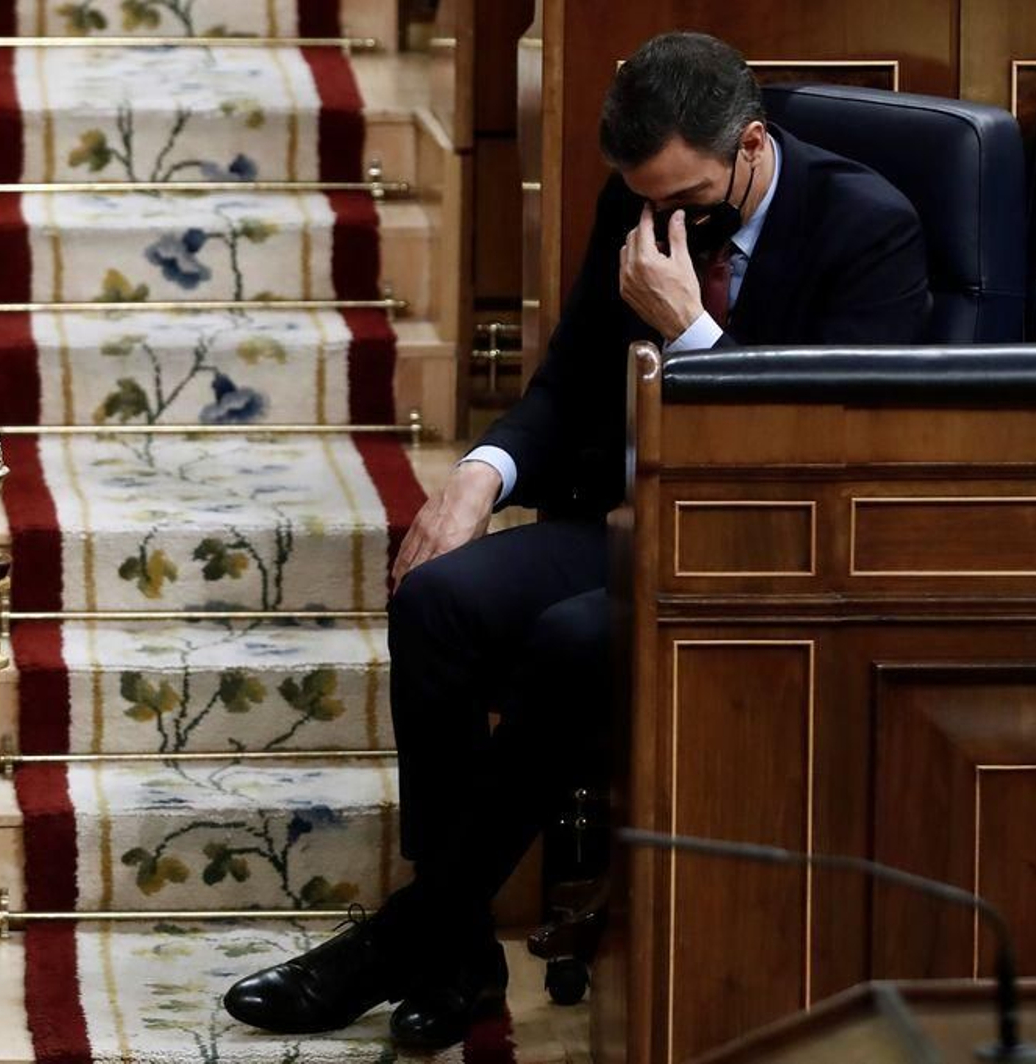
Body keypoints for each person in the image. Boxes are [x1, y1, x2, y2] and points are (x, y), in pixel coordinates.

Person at [223, 30, 930, 1050]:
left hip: (777, 548)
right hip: (631, 520)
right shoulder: (642, 200)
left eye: (688, 200)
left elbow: (840, 440)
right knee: (439, 598)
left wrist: (691, 335)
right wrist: (481, 474)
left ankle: (403, 939)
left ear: (753, 144)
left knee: (572, 637)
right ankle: (460, 952)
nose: (665, 220)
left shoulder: (870, 227)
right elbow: (567, 379)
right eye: (649, 199)